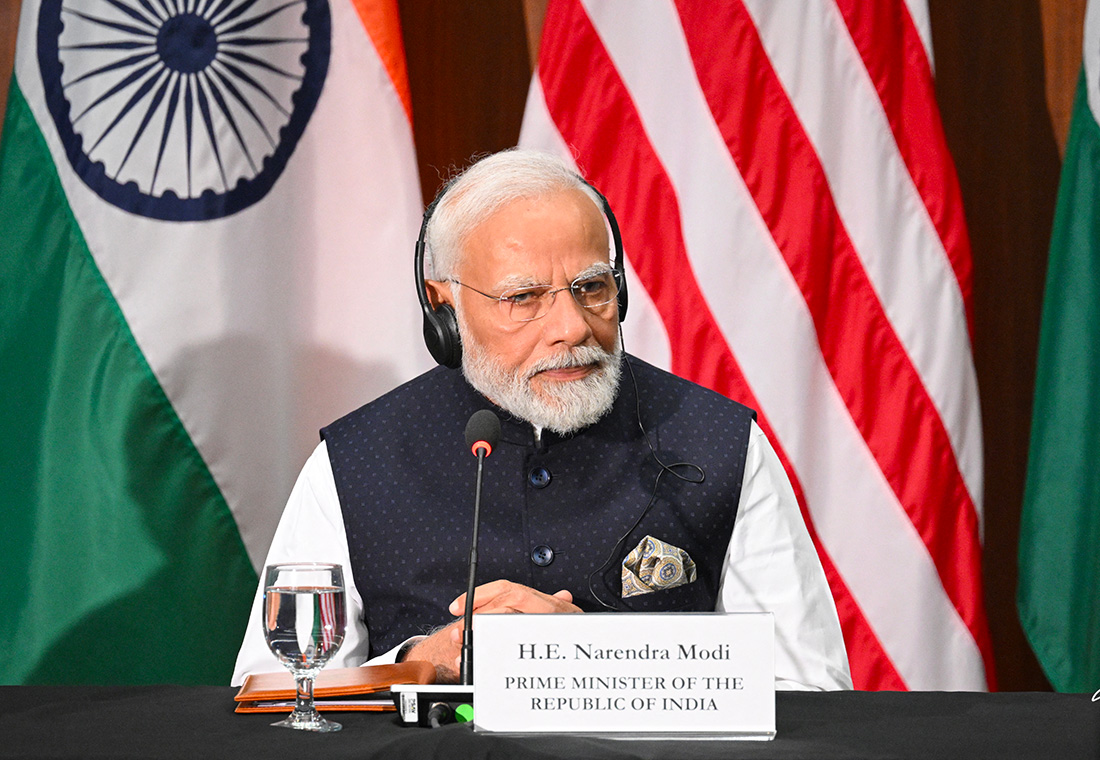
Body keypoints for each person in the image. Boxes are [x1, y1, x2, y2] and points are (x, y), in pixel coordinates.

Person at [232, 149, 852, 691]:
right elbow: (276, 701)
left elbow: (808, 692)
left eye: (592, 288)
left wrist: (592, 660)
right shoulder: (353, 463)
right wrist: (419, 664)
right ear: (443, 307)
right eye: (523, 298)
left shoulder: (721, 443)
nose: (572, 328)